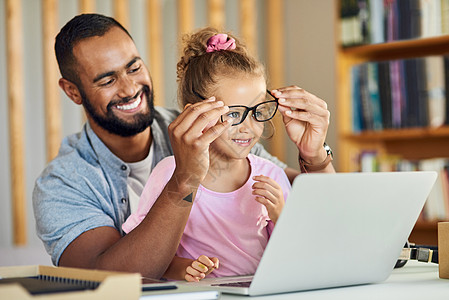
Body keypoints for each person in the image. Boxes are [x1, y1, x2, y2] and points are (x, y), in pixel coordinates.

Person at [32, 13, 334, 279]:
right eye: (107, 80)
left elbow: (319, 213)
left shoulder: (217, 130)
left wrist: (315, 155)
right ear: (72, 90)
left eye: (134, 68)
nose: (129, 88)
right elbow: (107, 280)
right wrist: (184, 180)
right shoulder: (62, 184)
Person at [122, 28, 292, 282]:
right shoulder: (170, 174)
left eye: (257, 110)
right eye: (234, 114)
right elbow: (149, 256)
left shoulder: (271, 175)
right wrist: (182, 268)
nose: (249, 126)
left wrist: (281, 215)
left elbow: (293, 255)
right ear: (196, 114)